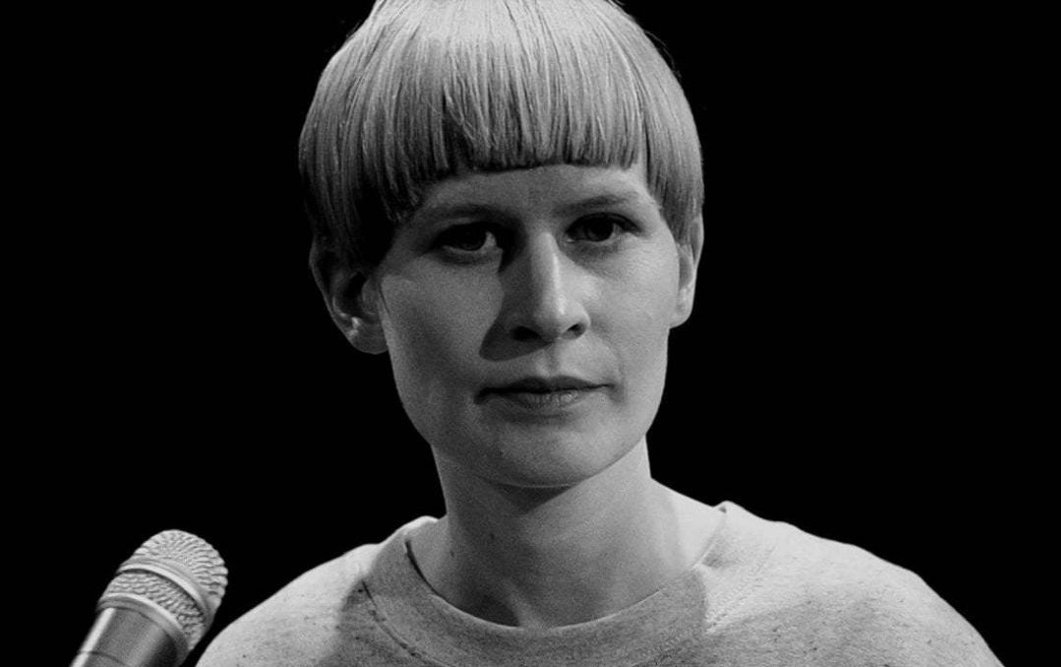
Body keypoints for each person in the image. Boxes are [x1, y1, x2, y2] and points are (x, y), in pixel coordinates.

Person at [197, 1, 1003, 664]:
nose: (550, 308)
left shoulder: (878, 640)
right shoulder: (270, 656)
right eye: (470, 237)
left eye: (599, 228)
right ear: (353, 293)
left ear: (684, 266)